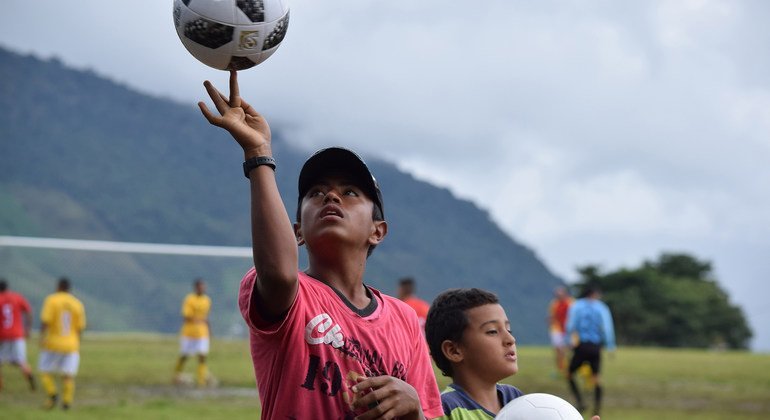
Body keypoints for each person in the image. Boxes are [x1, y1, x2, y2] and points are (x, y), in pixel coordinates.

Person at [198, 70, 442, 419]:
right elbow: (282, 275)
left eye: (350, 193)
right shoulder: (293, 295)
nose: (330, 195)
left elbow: (430, 414)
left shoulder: (403, 318)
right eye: (315, 193)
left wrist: (415, 410)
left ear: (378, 231)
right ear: (297, 232)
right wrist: (258, 153)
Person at [425, 288, 600, 420]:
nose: (510, 339)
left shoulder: (517, 400)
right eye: (492, 331)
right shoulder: (445, 410)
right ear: (454, 350)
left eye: (509, 329)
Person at [565, 286, 615, 416]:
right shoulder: (601, 307)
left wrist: (568, 340)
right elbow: (607, 328)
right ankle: (597, 408)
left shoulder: (577, 306)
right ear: (594, 294)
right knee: (596, 378)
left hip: (582, 346)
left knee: (569, 373)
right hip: (595, 347)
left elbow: (570, 325)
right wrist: (610, 346)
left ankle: (580, 401)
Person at [38, 277, 86, 410]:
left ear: (58, 286)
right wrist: (78, 343)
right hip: (71, 344)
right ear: (69, 288)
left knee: (45, 371)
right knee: (68, 375)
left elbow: (45, 321)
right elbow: (80, 328)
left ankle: (52, 394)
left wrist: (41, 337)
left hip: (52, 343)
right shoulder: (77, 303)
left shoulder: (51, 300)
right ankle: (66, 402)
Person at [174, 278, 212, 387]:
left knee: (202, 355)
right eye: (200, 286)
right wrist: (199, 320)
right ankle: (176, 374)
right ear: (196, 288)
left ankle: (201, 380)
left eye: (203, 286)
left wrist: (209, 330)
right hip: (189, 333)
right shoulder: (189, 299)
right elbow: (187, 316)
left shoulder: (207, 300)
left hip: (202, 333)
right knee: (184, 355)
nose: (202, 288)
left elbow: (206, 317)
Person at [0, 278, 36, 392]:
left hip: (2, 335)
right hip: (17, 334)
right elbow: (28, 311)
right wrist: (28, 328)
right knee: (22, 361)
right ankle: (30, 377)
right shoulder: (17, 297)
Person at [547, 286, 573, 375]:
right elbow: (552, 316)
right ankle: (561, 369)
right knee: (559, 350)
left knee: (569, 350)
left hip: (568, 330)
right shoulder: (554, 304)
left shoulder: (571, 303)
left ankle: (569, 369)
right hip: (557, 329)